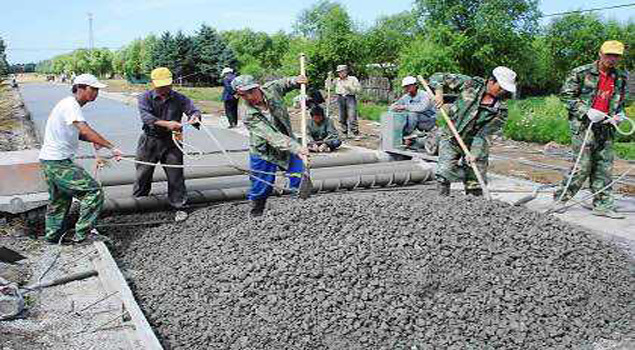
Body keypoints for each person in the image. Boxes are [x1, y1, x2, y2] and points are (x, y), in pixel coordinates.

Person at [38, 74, 123, 244]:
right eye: (93, 89)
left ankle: (52, 238)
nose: (96, 93)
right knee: (93, 192)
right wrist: (111, 147)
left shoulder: (68, 105)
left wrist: (94, 141)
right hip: (58, 162)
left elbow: (77, 133)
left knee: (59, 201)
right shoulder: (71, 105)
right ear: (80, 88)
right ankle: (83, 235)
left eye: (97, 90)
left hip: (50, 160)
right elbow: (84, 130)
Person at [553, 40, 629, 219]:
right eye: (609, 55)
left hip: (607, 125)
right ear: (600, 54)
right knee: (583, 165)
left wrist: (620, 114)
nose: (612, 59)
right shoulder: (581, 73)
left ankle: (603, 205)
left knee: (604, 166)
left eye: (616, 56)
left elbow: (620, 100)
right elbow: (566, 96)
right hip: (584, 126)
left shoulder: (620, 77)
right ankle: (561, 198)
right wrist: (586, 111)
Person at [430, 66, 517, 196]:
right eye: (500, 88)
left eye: (505, 90)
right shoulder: (470, 84)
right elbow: (437, 77)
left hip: (475, 144)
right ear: (491, 81)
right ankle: (441, 202)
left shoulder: (500, 110)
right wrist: (439, 93)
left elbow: (485, 134)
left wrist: (475, 153)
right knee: (444, 173)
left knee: (475, 180)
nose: (502, 92)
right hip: (451, 137)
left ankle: (474, 206)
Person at [231, 75, 310, 217]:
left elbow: (284, 83)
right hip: (264, 151)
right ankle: (256, 213)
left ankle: (301, 211)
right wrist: (296, 148)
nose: (249, 97)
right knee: (261, 186)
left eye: (251, 91)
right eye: (244, 95)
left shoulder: (271, 89)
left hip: (288, 143)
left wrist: (296, 81)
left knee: (300, 177)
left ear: (257, 87)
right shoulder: (247, 113)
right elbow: (271, 136)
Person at [133, 67, 202, 221]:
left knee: (175, 174)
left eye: (167, 85)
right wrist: (167, 124)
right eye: (160, 85)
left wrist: (195, 117)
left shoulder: (180, 98)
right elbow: (147, 117)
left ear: (171, 83)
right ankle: (137, 204)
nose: (164, 88)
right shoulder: (144, 98)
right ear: (153, 83)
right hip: (149, 140)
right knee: (143, 173)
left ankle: (179, 206)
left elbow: (193, 110)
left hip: (172, 141)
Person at [389, 76, 437, 149]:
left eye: (409, 86)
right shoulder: (406, 97)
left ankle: (409, 134)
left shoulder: (424, 95)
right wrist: (394, 107)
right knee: (401, 115)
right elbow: (394, 106)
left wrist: (405, 107)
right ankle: (402, 136)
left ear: (415, 85)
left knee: (412, 114)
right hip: (414, 122)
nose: (407, 88)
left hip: (428, 121)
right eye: (405, 86)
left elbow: (422, 108)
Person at [330, 64, 362, 140]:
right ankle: (344, 132)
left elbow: (358, 90)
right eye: (339, 72)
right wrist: (329, 79)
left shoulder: (352, 79)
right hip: (340, 97)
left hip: (350, 97)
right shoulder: (336, 80)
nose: (340, 74)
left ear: (346, 71)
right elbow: (329, 87)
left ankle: (355, 133)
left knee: (352, 115)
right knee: (342, 116)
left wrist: (349, 88)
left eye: (341, 71)